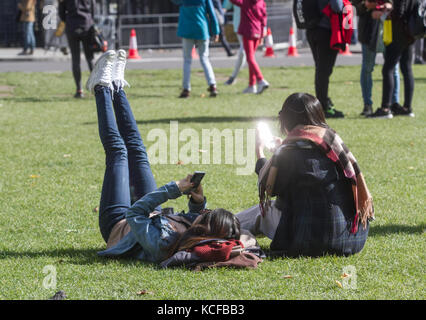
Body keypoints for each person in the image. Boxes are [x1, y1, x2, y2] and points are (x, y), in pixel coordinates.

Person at [86, 50, 262, 268]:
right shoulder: (197, 235)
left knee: (118, 152)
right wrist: (198, 203)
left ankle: (101, 88)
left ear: (202, 229)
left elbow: (135, 214)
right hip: (153, 215)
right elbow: (193, 220)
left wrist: (174, 188)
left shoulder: (163, 243)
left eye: (204, 216)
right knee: (138, 151)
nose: (201, 215)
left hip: (119, 224)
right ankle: (117, 86)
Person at [237, 93, 374, 257]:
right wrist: (279, 154)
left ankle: (222, 224)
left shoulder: (289, 151)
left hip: (308, 238)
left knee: (260, 212)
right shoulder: (332, 141)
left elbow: (270, 188)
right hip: (351, 238)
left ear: (286, 120)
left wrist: (260, 152)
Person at [367, 0, 417, 118]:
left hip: (398, 33)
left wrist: (387, 12)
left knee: (388, 69)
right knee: (407, 69)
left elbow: (399, 12)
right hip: (411, 33)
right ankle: (407, 107)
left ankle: (385, 108)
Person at [353, 0, 401, 116]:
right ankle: (367, 105)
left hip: (390, 29)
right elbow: (353, 7)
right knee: (367, 68)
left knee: (393, 68)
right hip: (368, 33)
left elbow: (400, 5)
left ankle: (394, 103)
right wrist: (366, 6)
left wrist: (389, 7)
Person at [304, 0, 346, 118]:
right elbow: (337, 6)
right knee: (324, 71)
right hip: (326, 31)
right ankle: (322, 106)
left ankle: (323, 102)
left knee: (321, 69)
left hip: (312, 29)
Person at [171, 0, 220, 98]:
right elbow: (211, 13)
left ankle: (186, 89)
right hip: (202, 30)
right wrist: (216, 31)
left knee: (187, 60)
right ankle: (212, 85)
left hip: (187, 30)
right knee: (204, 59)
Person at [230, 0, 269, 94]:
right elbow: (264, 18)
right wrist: (262, 33)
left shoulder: (245, 2)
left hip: (247, 31)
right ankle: (252, 85)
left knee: (250, 58)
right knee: (252, 59)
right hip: (257, 31)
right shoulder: (261, 2)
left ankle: (261, 80)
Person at [58, 0, 96, 99]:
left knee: (76, 60)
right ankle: (97, 86)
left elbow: (61, 12)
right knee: (90, 58)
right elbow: (93, 9)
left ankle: (79, 90)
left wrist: (68, 20)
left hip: (72, 26)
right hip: (86, 25)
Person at [223, 0, 247, 85]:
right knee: (244, 53)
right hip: (239, 27)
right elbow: (226, 6)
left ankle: (234, 77)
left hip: (251, 27)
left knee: (245, 54)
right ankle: (234, 77)